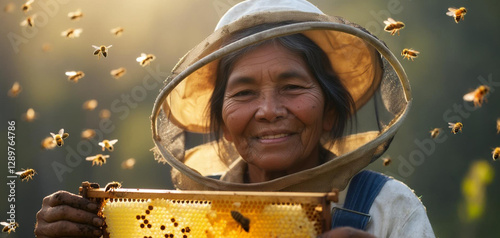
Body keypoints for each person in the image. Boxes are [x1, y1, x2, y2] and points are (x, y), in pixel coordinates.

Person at [35, 0, 435, 237]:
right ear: (222, 122)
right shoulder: (181, 221)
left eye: (293, 87)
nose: (268, 110)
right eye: (243, 93)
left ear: (330, 112)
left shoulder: (388, 210)